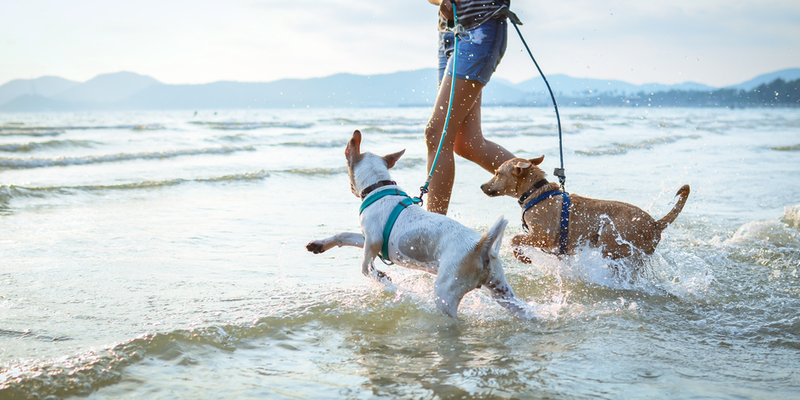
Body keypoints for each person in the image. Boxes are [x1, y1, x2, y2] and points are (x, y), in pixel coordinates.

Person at [423, 0, 516, 215]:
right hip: (449, 35)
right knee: (467, 143)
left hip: (481, 27)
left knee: (436, 133)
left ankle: (432, 231)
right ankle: (549, 198)